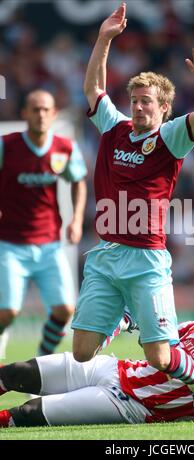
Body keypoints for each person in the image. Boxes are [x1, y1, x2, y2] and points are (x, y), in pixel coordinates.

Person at [71, 2, 194, 422]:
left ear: (163, 108)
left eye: (146, 102)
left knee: (158, 356)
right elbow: (92, 90)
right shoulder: (113, 128)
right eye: (134, 100)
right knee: (81, 353)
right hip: (105, 254)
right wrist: (103, 39)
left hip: (146, 259)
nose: (138, 107)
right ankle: (122, 315)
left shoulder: (171, 138)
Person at [0, 293, 194, 428]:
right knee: (18, 371)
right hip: (116, 369)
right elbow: (152, 338)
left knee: (27, 412)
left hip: (132, 405)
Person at [0, 89, 87, 359]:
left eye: (45, 110)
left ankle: (41, 356)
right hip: (10, 245)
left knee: (65, 310)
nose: (40, 114)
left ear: (54, 114)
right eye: (35, 109)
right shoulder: (6, 145)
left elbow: (79, 182)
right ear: (24, 113)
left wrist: (77, 219)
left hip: (50, 243)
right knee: (8, 313)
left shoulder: (64, 148)